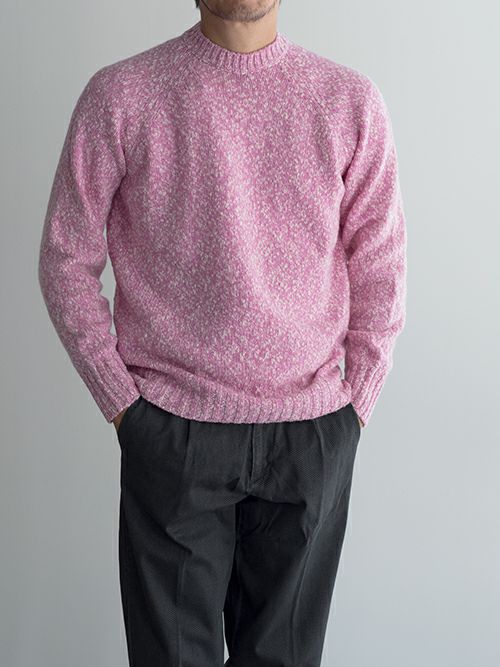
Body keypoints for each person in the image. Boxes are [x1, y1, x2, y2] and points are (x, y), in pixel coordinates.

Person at [38, 0, 407, 664]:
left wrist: (356, 407)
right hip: (172, 431)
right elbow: (65, 258)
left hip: (311, 432)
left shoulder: (349, 102)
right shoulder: (122, 95)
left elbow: (381, 265)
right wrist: (122, 403)